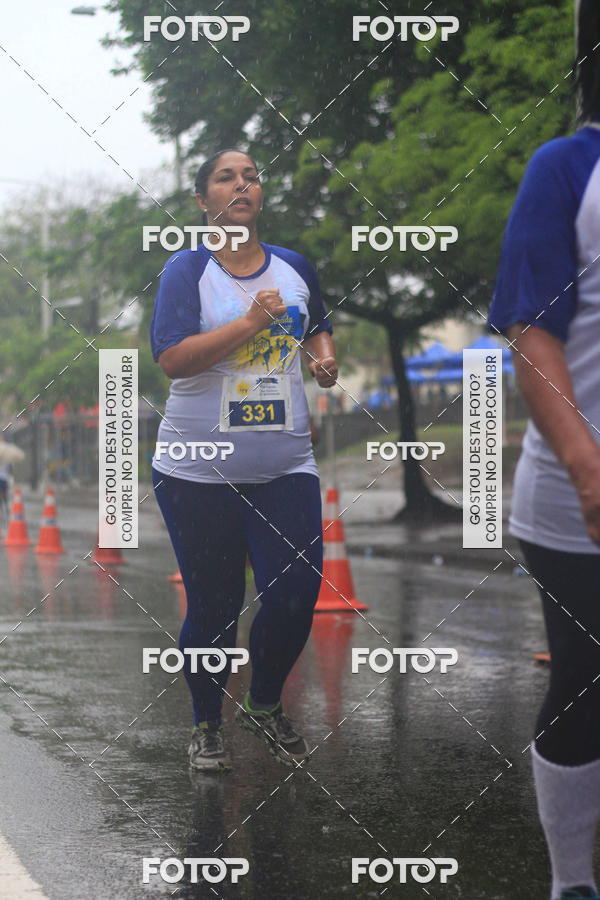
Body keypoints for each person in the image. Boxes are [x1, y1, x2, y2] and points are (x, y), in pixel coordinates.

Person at [150, 148, 337, 773]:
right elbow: (173, 359)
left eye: (251, 177)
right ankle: (206, 723)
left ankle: (262, 703)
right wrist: (251, 323)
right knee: (216, 605)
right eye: (225, 178)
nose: (241, 185)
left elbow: (318, 323)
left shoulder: (293, 265)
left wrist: (322, 357)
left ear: (260, 195)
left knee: (296, 595)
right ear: (203, 200)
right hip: (197, 469)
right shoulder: (187, 270)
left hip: (285, 464)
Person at [489, 4, 600, 897]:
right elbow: (531, 332)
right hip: (575, 501)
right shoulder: (566, 167)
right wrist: (589, 469)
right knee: (586, 683)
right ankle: (571, 882)